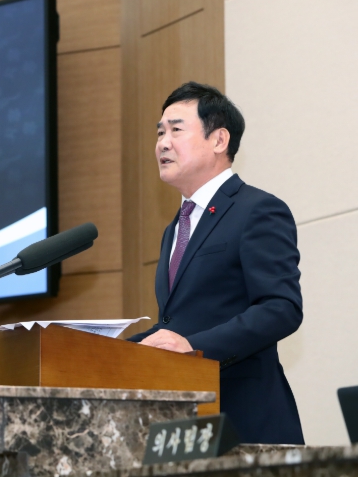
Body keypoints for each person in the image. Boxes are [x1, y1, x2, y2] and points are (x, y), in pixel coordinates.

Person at [128, 82, 304, 444]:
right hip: (185, 426)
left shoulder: (257, 210)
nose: (162, 143)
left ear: (219, 140)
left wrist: (193, 348)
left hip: (246, 422)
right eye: (160, 133)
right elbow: (177, 325)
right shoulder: (175, 228)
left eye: (176, 130)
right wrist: (110, 350)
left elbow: (281, 308)